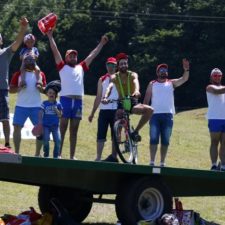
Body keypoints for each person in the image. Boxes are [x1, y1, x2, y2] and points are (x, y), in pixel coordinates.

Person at [46, 29, 108, 159]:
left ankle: (72, 156)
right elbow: (55, 51)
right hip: (65, 101)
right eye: (71, 55)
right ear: (66, 57)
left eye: (75, 56)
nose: (73, 57)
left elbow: (92, 55)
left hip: (78, 102)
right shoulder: (62, 66)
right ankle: (58, 153)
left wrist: (101, 44)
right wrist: (50, 36)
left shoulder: (81, 67)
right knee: (62, 128)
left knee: (74, 130)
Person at [143, 59, 190, 167]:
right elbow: (146, 99)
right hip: (154, 115)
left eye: (165, 70)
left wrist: (186, 69)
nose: (163, 71)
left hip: (168, 115)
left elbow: (184, 79)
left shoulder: (171, 83)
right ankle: (152, 162)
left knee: (165, 140)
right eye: (161, 70)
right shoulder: (152, 84)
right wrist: (145, 112)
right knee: (153, 138)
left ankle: (162, 162)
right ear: (157, 73)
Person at [102, 52, 153, 142]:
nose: (124, 65)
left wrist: (137, 91)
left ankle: (136, 131)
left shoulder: (133, 74)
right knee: (118, 123)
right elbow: (109, 87)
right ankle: (118, 144)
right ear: (118, 66)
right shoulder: (114, 77)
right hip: (121, 103)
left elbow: (136, 82)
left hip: (132, 102)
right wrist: (105, 97)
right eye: (121, 64)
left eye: (125, 63)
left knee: (150, 110)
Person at [9, 54, 46, 155]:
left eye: (32, 59)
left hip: (37, 107)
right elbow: (11, 90)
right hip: (21, 106)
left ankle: (37, 154)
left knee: (40, 130)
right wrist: (19, 88)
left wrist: (41, 88)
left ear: (35, 60)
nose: (30, 61)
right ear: (23, 61)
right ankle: (16, 153)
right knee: (17, 128)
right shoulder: (18, 74)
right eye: (27, 59)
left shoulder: (41, 74)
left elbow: (46, 91)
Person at [0, 17, 28, 148]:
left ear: (1, 41)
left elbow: (17, 42)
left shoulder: (5, 52)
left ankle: (7, 143)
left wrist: (23, 29)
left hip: (2, 89)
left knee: (5, 118)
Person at [88, 57, 119, 162]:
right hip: (104, 110)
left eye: (113, 65)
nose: (111, 67)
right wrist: (92, 113)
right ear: (106, 66)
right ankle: (98, 157)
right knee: (101, 133)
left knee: (115, 135)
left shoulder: (120, 78)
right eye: (109, 65)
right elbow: (98, 96)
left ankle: (114, 156)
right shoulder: (102, 79)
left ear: (116, 66)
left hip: (116, 109)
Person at [206, 68, 225, 171]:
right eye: (215, 76)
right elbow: (217, 91)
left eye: (219, 75)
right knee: (214, 142)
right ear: (211, 77)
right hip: (214, 118)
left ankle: (223, 166)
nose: (217, 77)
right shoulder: (209, 87)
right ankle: (214, 165)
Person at [39, 81, 62, 158]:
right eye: (50, 93)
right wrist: (40, 122)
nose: (51, 94)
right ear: (47, 94)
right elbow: (40, 112)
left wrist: (56, 110)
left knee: (58, 140)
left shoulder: (58, 104)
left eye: (53, 93)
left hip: (55, 126)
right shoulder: (44, 103)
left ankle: (55, 156)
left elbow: (60, 115)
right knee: (45, 140)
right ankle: (46, 155)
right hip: (46, 126)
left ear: (55, 95)